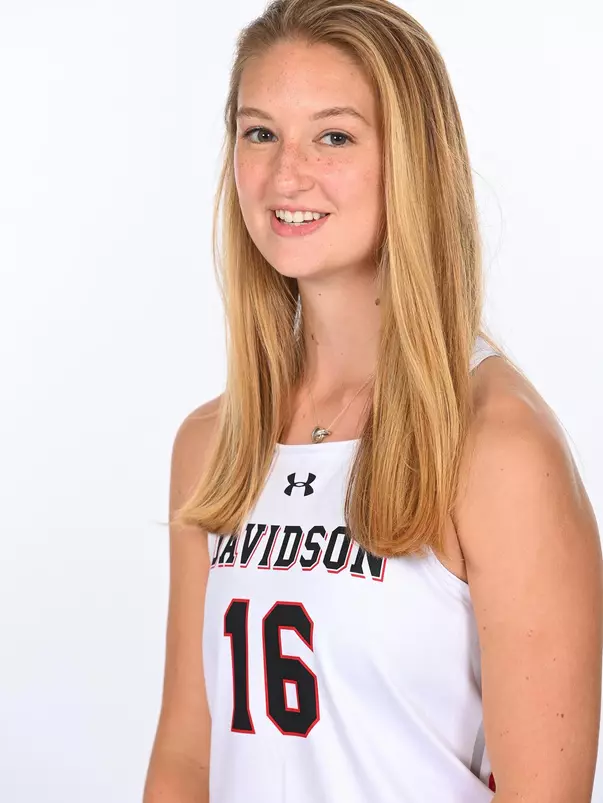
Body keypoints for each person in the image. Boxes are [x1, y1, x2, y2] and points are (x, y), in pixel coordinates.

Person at [143, 1, 602, 801]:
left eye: (334, 136)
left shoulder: (496, 445)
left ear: (411, 159)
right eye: (260, 133)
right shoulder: (212, 446)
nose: (287, 174)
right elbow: (188, 753)